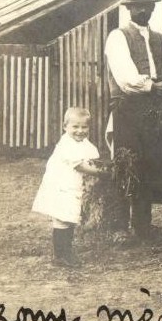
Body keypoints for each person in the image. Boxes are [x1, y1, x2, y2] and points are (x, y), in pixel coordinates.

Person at [104, 0, 162, 244]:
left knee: (151, 165)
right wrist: (150, 86)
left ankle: (143, 224)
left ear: (152, 9)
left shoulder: (161, 39)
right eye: (137, 6)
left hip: (155, 111)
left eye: (147, 6)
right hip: (128, 108)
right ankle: (119, 226)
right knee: (127, 165)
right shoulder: (118, 36)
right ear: (129, 9)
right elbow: (125, 76)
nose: (143, 11)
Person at [32, 107, 104, 266]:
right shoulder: (66, 144)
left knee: (69, 218)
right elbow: (80, 166)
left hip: (71, 187)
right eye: (75, 127)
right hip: (61, 187)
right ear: (65, 127)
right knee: (62, 218)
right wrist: (101, 172)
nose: (80, 131)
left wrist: (99, 165)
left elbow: (92, 157)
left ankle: (66, 251)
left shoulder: (84, 143)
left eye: (84, 127)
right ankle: (61, 255)